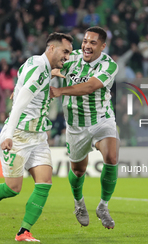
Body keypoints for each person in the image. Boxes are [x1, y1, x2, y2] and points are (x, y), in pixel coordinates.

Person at [0, 32, 73, 242]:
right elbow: (21, 100)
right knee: (12, 188)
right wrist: (7, 133)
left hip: (38, 135)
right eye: (65, 52)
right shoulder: (40, 71)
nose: (67, 57)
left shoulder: (34, 61)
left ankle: (24, 231)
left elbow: (20, 87)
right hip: (19, 134)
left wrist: (52, 73)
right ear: (51, 48)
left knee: (45, 182)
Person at [50, 27, 119, 229]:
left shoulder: (109, 65)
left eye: (93, 43)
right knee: (78, 171)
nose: (87, 46)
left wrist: (59, 90)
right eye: (85, 41)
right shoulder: (72, 58)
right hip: (75, 125)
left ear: (103, 46)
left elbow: (90, 86)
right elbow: (50, 65)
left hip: (101, 119)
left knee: (112, 158)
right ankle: (79, 203)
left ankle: (103, 206)